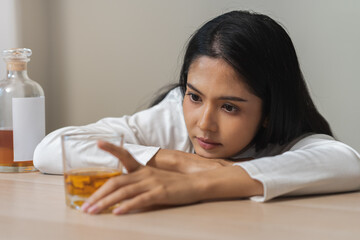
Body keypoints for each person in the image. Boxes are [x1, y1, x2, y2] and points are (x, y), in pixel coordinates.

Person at [34, 10, 360, 215]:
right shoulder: (173, 116)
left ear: (269, 110)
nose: (204, 124)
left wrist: (196, 185)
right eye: (195, 96)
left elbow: (347, 163)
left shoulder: (291, 144)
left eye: (229, 106)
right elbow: (50, 150)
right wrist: (178, 160)